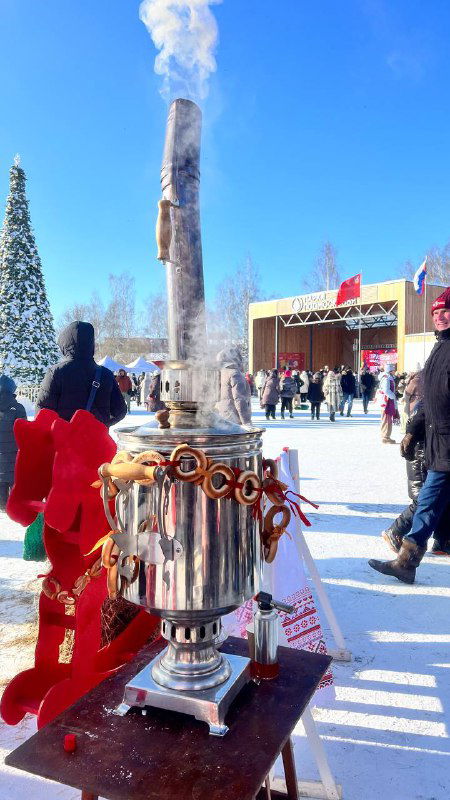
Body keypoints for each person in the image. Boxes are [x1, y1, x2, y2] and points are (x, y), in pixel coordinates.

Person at [368, 288, 450, 583]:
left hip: (447, 444)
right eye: (436, 313)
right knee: (432, 500)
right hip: (437, 443)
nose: (440, 317)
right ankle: (413, 557)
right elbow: (431, 399)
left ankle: (406, 560)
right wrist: (413, 430)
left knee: (428, 500)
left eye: (445, 312)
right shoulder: (440, 348)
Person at [36, 321, 127, 427]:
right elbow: (120, 411)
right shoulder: (106, 374)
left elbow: (42, 414)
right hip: (96, 441)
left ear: (65, 343)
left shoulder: (56, 373)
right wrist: (102, 424)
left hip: (63, 441)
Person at [0, 376, 27, 510]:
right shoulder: (18, 408)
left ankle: (2, 506)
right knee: (14, 482)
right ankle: (15, 508)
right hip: (14, 455)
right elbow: (25, 433)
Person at [216, 346, 251, 425]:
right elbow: (240, 399)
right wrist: (246, 422)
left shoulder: (222, 373)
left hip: (223, 414)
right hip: (233, 417)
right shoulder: (235, 374)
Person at [377, 364, 398, 443]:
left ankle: (386, 436)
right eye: (393, 370)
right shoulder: (387, 377)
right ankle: (385, 437)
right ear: (390, 370)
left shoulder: (388, 377)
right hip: (387, 401)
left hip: (387, 401)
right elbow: (386, 390)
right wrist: (392, 396)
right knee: (386, 419)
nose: (394, 371)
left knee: (387, 418)